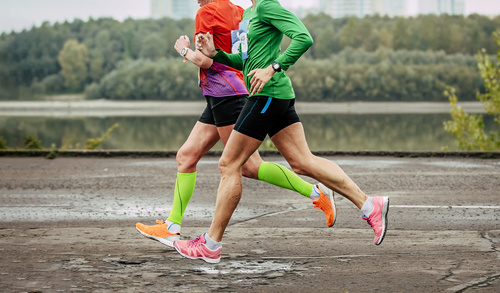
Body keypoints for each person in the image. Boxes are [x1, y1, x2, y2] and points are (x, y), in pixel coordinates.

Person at [173, 0, 390, 264]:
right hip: (275, 95)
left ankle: (210, 243)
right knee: (302, 162)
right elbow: (243, 62)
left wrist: (275, 67)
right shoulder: (249, 13)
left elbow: (303, 37)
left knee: (229, 164)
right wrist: (215, 52)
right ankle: (370, 205)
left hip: (267, 95)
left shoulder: (266, 6)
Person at [134, 0, 337, 248]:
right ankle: (172, 226)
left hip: (225, 95)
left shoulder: (206, 12)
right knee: (186, 156)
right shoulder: (241, 12)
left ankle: (317, 193)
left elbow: (206, 61)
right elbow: (243, 55)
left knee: (248, 166)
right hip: (225, 93)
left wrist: (183, 51)